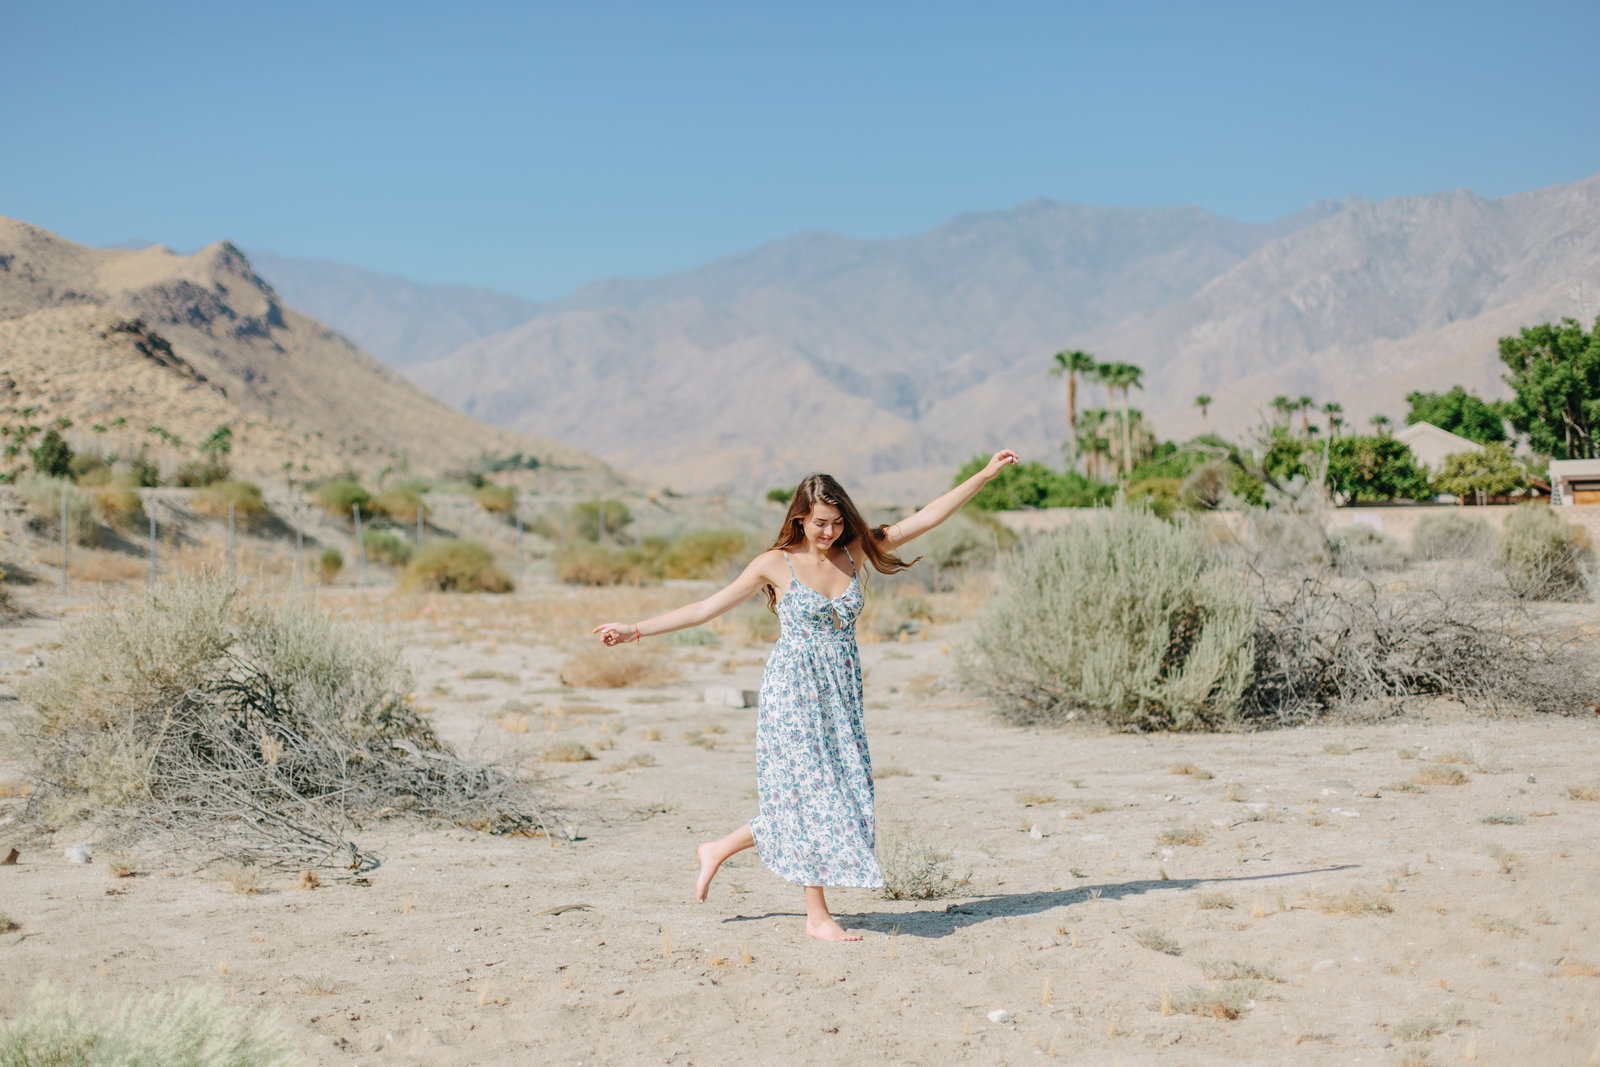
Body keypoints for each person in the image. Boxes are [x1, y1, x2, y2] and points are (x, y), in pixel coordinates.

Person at [592, 450, 1018, 941]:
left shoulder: (854, 552)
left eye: (837, 522)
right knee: (814, 796)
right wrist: (635, 630)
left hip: (841, 694)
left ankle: (717, 849)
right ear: (800, 518)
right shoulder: (775, 563)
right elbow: (706, 607)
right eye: (820, 523)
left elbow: (926, 517)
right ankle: (817, 917)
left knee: (831, 795)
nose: (829, 533)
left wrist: (984, 476)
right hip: (793, 694)